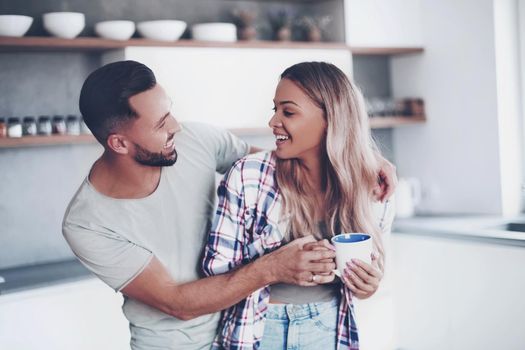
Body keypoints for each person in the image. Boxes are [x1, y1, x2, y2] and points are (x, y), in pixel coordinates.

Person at [62, 60, 396, 350]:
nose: (176, 126)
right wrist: (273, 267)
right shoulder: (88, 222)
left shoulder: (195, 141)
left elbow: (284, 161)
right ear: (119, 143)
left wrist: (363, 160)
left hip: (243, 325)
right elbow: (176, 303)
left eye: (170, 112)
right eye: (161, 123)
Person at [203, 61, 395, 350]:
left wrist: (368, 286)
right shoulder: (249, 176)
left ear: (331, 119)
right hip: (257, 328)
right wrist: (274, 267)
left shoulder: (374, 186)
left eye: (288, 112)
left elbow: (370, 271)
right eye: (275, 109)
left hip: (329, 328)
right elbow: (214, 274)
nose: (273, 122)